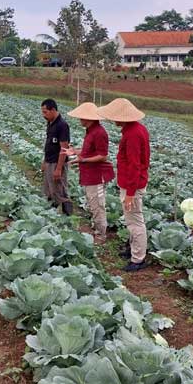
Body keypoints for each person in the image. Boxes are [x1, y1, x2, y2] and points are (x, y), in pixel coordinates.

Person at [96, 98, 149, 271]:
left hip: (132, 184)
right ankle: (133, 249)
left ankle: (138, 259)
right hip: (131, 183)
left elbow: (135, 165)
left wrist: (131, 193)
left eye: (115, 117)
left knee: (135, 222)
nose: (113, 120)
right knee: (131, 220)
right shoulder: (135, 129)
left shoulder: (133, 134)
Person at [62, 102, 115, 243]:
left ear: (88, 118)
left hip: (97, 175)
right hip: (89, 174)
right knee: (92, 203)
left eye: (81, 118)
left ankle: (101, 235)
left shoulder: (99, 133)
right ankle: (97, 229)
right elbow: (88, 151)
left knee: (97, 205)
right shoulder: (91, 131)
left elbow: (103, 155)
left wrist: (82, 160)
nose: (79, 120)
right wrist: (74, 152)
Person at [41, 99, 72, 215]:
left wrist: (59, 169)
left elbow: (64, 148)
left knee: (60, 190)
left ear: (53, 110)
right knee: (49, 190)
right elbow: (48, 144)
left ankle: (68, 218)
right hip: (49, 161)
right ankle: (51, 215)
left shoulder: (62, 125)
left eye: (45, 112)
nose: (43, 115)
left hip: (57, 163)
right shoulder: (50, 123)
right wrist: (45, 161)